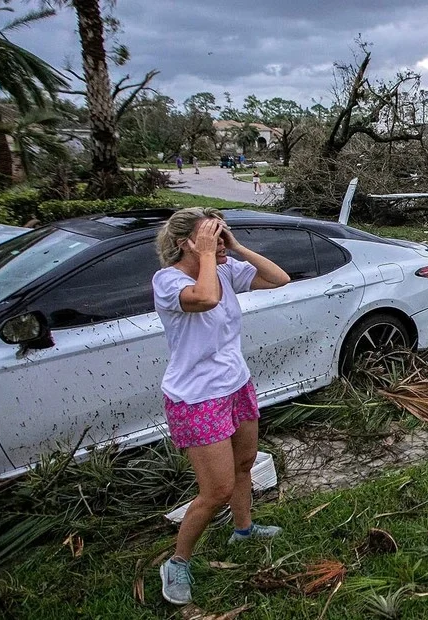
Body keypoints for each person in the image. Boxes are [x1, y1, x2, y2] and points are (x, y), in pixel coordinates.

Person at [153, 208, 290, 605]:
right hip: (197, 398)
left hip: (236, 385)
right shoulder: (168, 281)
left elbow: (278, 278)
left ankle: (244, 528)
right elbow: (206, 298)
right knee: (216, 491)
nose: (219, 238)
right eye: (210, 234)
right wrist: (210, 255)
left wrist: (235, 246)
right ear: (186, 244)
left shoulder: (226, 269)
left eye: (220, 232)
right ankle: (177, 563)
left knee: (245, 464)